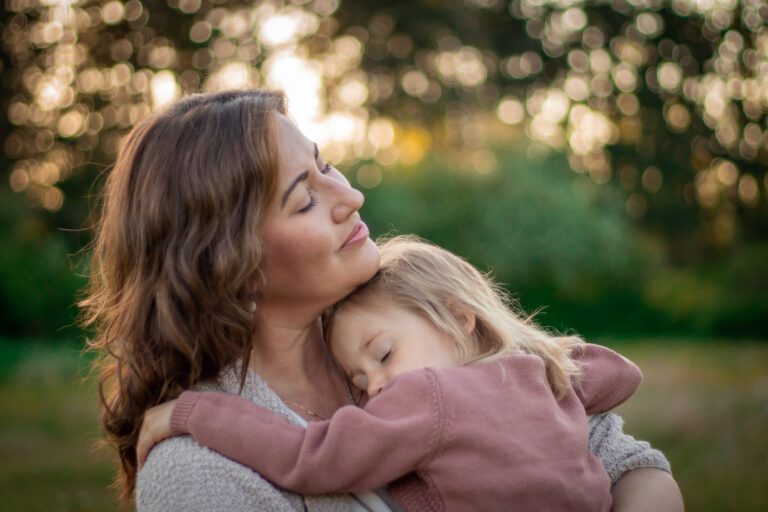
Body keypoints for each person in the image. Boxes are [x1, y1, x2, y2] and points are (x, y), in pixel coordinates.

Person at [82, 89, 683, 511]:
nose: (352, 196)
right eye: (304, 199)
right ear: (229, 264)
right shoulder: (197, 472)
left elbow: (630, 464)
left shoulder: (402, 331)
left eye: (328, 167)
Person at [137, 235, 645, 511]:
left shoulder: (426, 398)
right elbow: (619, 377)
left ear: (459, 316)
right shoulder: (542, 373)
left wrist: (194, 412)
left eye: (382, 355)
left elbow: (307, 456)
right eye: (357, 382)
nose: (375, 387)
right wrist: (552, 359)